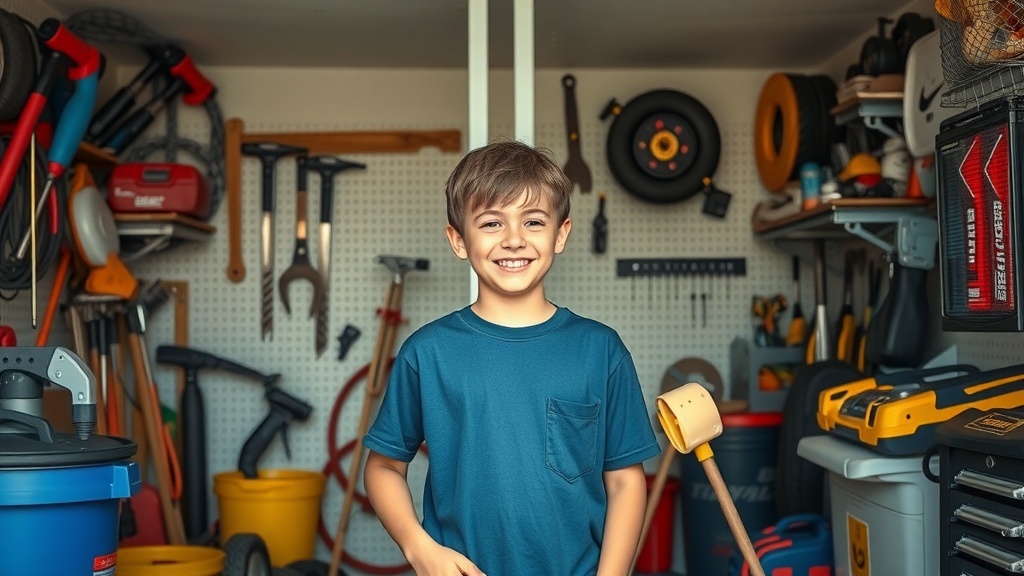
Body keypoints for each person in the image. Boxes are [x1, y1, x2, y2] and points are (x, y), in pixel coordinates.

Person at [362, 139, 661, 576]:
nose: (514, 240)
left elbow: (625, 480)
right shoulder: (427, 354)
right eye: (491, 224)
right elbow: (383, 467)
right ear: (458, 240)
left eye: (534, 221)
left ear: (560, 234)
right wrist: (418, 547)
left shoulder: (601, 350)